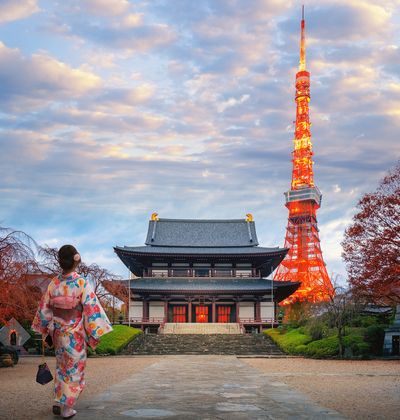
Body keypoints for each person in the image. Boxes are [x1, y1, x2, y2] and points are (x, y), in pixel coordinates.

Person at [32, 245, 113, 419]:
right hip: (74, 333)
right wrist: (94, 332)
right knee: (74, 370)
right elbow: (92, 308)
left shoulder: (54, 283)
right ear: (76, 260)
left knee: (61, 368)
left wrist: (45, 328)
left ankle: (58, 401)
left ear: (61, 262)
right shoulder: (81, 283)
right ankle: (67, 408)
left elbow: (44, 309)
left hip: (58, 333)